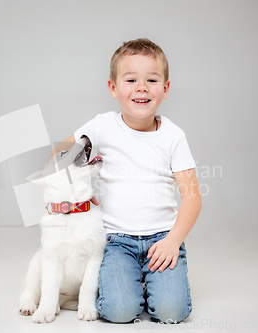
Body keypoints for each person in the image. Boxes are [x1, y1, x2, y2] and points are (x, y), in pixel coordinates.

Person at [57, 38, 201, 323]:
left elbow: (193, 197)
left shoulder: (173, 136)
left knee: (172, 313)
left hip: (162, 239)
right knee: (118, 311)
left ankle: (149, 279)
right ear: (113, 88)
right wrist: (81, 192)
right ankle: (125, 280)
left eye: (151, 79)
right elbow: (58, 156)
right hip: (115, 242)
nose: (141, 87)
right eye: (131, 79)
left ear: (166, 88)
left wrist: (173, 241)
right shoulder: (101, 126)